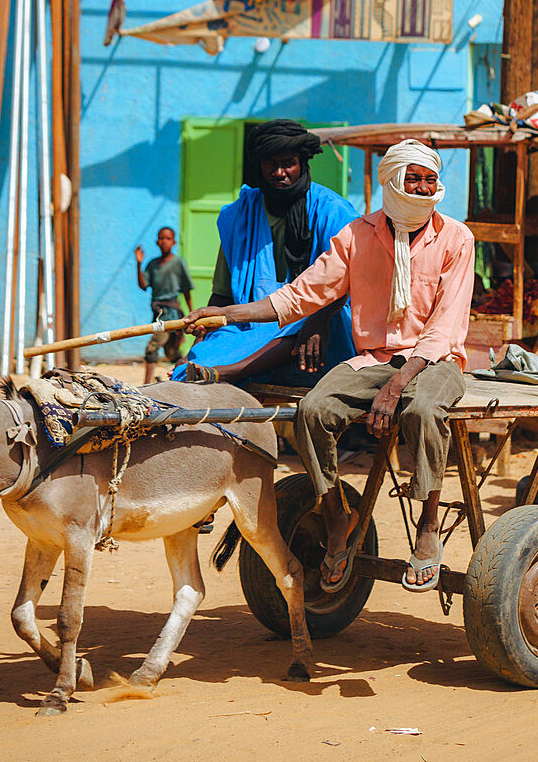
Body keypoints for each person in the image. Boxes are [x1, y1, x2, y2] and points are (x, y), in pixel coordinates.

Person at [185, 139, 475, 592]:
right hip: (374, 358)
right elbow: (300, 294)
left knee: (421, 412)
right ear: (393, 182)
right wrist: (225, 314)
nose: (422, 187)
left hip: (434, 361)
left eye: (429, 179)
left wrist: (397, 385)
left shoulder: (457, 238)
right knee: (313, 410)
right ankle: (338, 515)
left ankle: (428, 526)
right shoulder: (360, 235)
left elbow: (444, 326)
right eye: (413, 178)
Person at [172, 119, 358, 385]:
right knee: (195, 363)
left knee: (314, 320)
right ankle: (217, 367)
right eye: (270, 163)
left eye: (288, 163)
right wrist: (203, 336)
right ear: (258, 165)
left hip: (317, 323)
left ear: (303, 164)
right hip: (249, 329)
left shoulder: (334, 212)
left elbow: (348, 283)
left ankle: (233, 372)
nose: (279, 172)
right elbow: (223, 296)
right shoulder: (238, 216)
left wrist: (318, 320)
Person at [135, 226, 194, 384]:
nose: (164, 242)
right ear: (157, 242)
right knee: (172, 351)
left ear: (174, 242)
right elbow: (143, 285)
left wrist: (192, 312)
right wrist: (138, 264)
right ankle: (182, 379)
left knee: (152, 347)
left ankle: (146, 385)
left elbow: (186, 290)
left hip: (171, 313)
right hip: (158, 312)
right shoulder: (153, 264)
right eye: (161, 238)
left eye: (168, 238)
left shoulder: (178, 263)